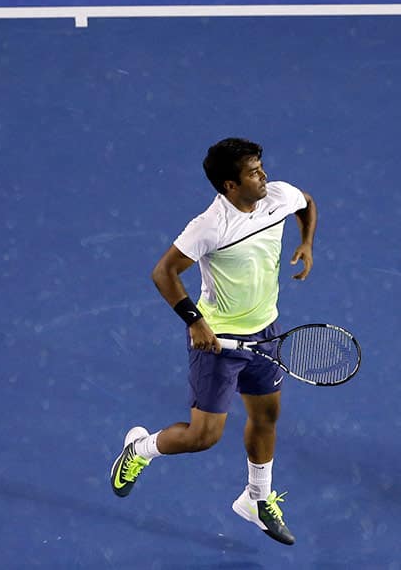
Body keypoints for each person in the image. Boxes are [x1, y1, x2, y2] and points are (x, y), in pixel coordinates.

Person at [109, 138, 317, 546]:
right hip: (219, 342)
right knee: (202, 437)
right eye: (253, 173)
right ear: (230, 186)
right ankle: (139, 449)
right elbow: (163, 272)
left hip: (266, 331)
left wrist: (306, 242)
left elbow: (307, 202)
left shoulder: (278, 196)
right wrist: (195, 321)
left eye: (261, 167)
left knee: (266, 418)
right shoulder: (211, 226)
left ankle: (256, 499)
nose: (264, 177)